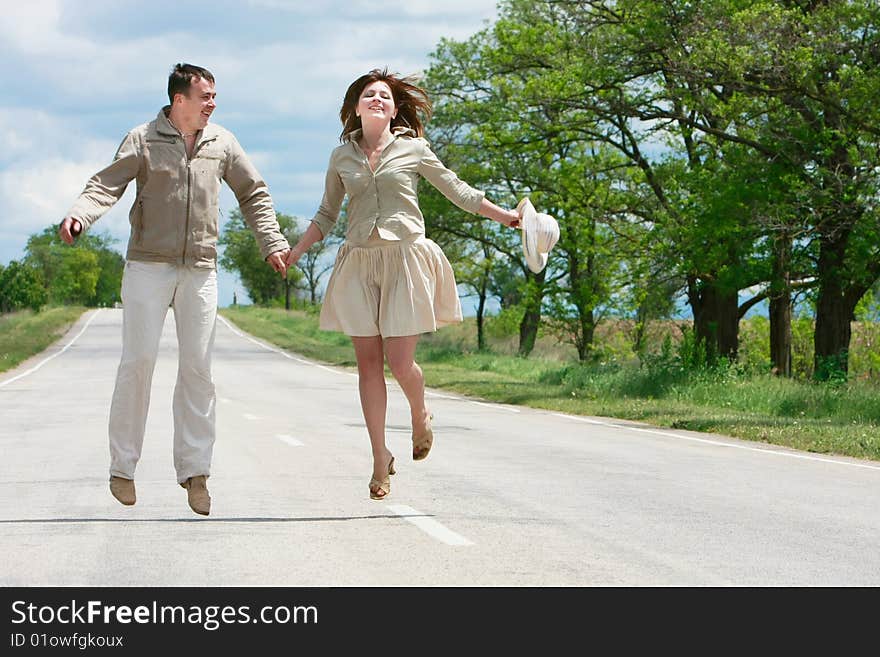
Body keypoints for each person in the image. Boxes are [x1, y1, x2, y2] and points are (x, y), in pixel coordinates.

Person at [59, 63, 290, 516]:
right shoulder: (143, 138)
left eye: (214, 96)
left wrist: (272, 242)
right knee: (138, 363)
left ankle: (196, 473)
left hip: (201, 269)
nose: (212, 104)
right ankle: (122, 468)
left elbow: (253, 192)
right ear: (178, 100)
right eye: (205, 96)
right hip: (148, 266)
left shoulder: (221, 142)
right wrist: (79, 215)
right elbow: (107, 184)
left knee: (198, 369)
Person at [285, 68, 520, 500]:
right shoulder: (341, 158)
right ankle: (379, 459)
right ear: (356, 107)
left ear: (394, 111)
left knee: (399, 361)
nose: (378, 100)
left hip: (405, 258)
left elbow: (457, 191)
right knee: (368, 366)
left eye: (385, 97)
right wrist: (295, 252)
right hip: (359, 261)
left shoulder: (413, 149)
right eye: (370, 95)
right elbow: (325, 215)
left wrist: (504, 215)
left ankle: (419, 412)